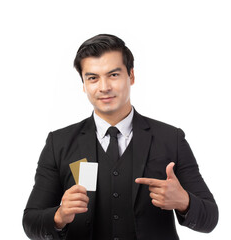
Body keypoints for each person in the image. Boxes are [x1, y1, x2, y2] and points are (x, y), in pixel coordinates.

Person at [23, 34, 218, 240]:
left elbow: (210, 218)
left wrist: (184, 201)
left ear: (131, 76)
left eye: (113, 75)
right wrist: (59, 216)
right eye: (93, 78)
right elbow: (31, 221)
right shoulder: (59, 143)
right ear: (84, 84)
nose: (104, 87)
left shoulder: (171, 139)